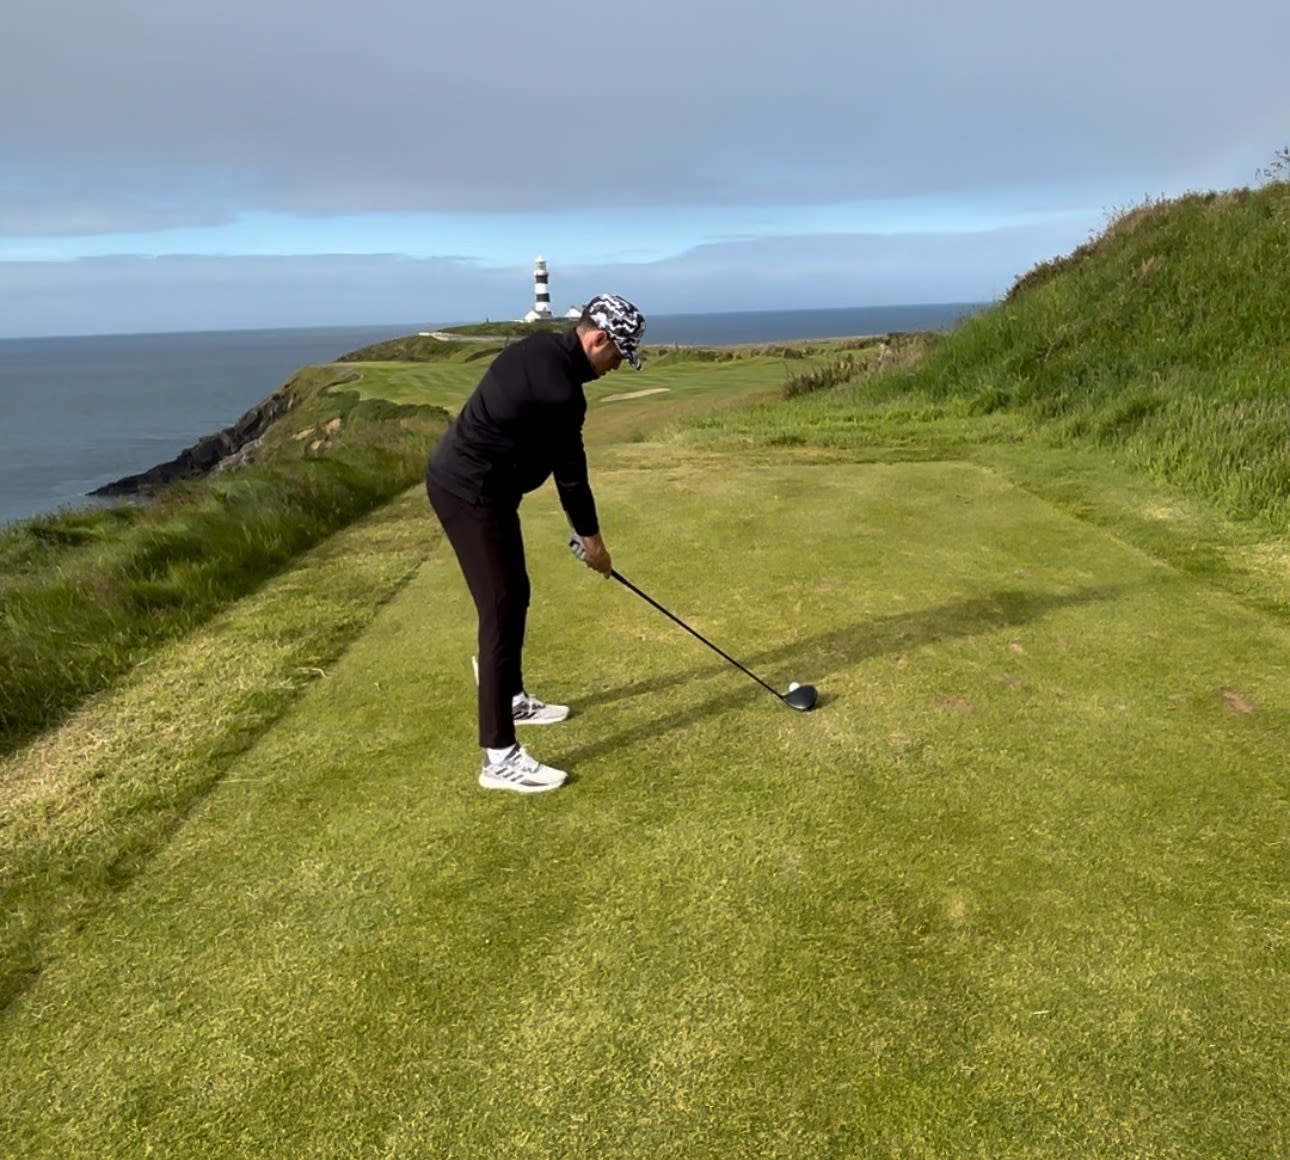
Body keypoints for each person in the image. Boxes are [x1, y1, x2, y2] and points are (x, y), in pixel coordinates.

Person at [425, 293, 647, 794]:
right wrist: (594, 545)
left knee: (515, 593)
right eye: (619, 355)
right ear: (598, 339)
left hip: (489, 488)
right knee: (500, 606)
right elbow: (571, 477)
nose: (618, 366)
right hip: (468, 489)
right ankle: (499, 757)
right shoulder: (561, 389)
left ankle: (511, 696)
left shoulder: (547, 354)